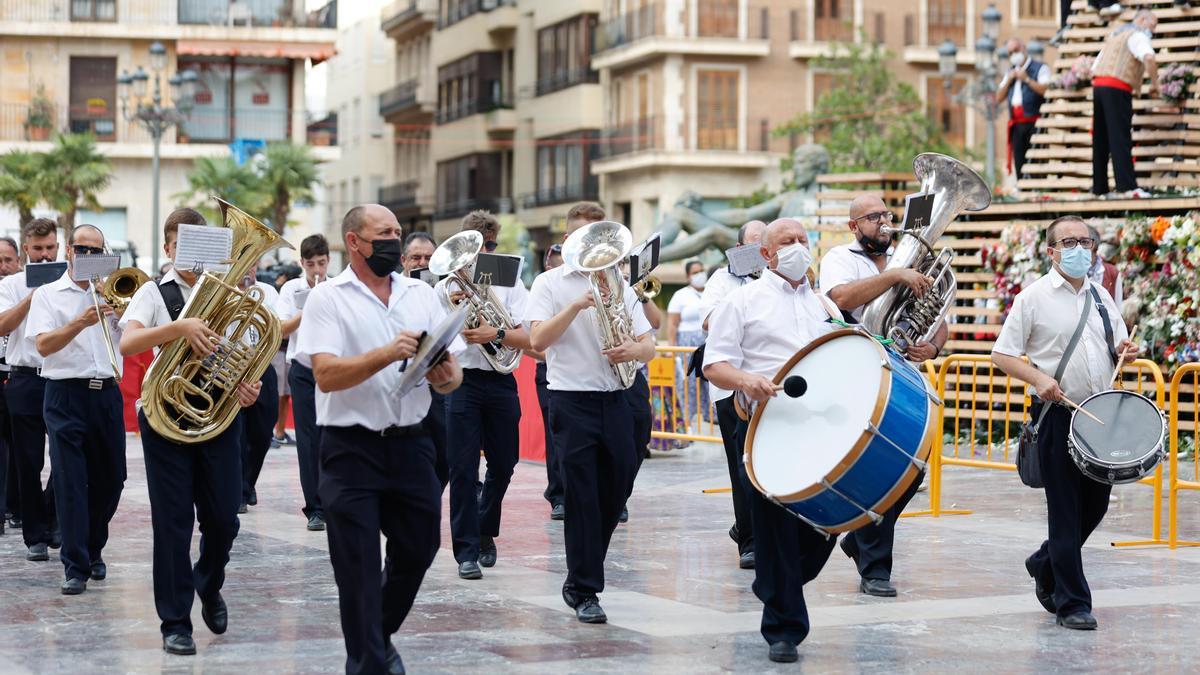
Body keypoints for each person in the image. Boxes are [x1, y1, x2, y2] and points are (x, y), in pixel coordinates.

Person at [295, 204, 464, 674]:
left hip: (413, 444)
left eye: (397, 231)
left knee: (419, 548)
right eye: (383, 233)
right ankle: (369, 661)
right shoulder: (327, 298)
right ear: (354, 242)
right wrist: (388, 353)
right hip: (351, 449)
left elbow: (451, 381)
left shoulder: (422, 295)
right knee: (358, 569)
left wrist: (445, 374)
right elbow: (325, 375)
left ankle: (375, 636)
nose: (394, 239)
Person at [119, 208, 263, 656]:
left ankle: (209, 581)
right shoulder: (153, 291)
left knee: (224, 518)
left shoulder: (229, 293)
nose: (193, 256)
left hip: (216, 414)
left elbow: (245, 349)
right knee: (174, 523)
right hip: (164, 416)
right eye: (183, 246)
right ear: (168, 249)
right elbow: (128, 342)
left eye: (204, 247)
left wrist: (247, 384)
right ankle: (175, 622)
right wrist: (180, 327)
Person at [703, 218, 842, 663]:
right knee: (776, 529)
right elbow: (714, 365)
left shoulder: (826, 306)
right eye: (788, 242)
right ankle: (782, 629)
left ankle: (773, 582)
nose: (800, 248)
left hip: (820, 427)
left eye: (804, 241)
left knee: (825, 529)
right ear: (766, 254)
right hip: (766, 428)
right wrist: (748, 380)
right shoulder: (741, 302)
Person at [992, 215, 1133, 631]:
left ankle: (1043, 561)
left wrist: (1127, 349)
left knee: (1097, 504)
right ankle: (1073, 602)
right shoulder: (1032, 298)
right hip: (1058, 416)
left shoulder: (1103, 297)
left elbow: (1116, 349)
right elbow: (1001, 354)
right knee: (1066, 510)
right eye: (1068, 242)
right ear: (1051, 252)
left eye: (1085, 242)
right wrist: (1038, 379)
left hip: (1100, 415)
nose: (1078, 249)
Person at [527, 210, 656, 624]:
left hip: (617, 397)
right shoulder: (548, 283)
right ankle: (584, 588)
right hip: (571, 399)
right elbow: (537, 339)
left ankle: (583, 571)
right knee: (582, 496)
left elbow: (648, 345)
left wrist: (632, 352)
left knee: (617, 489)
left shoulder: (620, 282)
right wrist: (577, 305)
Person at [817, 195, 945, 597]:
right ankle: (875, 568)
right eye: (873, 217)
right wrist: (895, 276)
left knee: (912, 467)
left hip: (904, 369)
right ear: (854, 226)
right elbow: (838, 300)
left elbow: (940, 313)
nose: (884, 223)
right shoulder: (840, 256)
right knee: (878, 461)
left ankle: (859, 541)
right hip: (859, 367)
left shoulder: (913, 260)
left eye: (887, 215)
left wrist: (933, 346)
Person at [26, 224, 126, 595]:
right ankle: (75, 564)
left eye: (95, 251)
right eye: (82, 249)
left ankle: (94, 547)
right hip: (65, 393)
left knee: (113, 478)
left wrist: (120, 311)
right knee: (70, 482)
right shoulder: (49, 295)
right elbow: (45, 346)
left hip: (106, 395)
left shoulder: (116, 293)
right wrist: (82, 320)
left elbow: (132, 341)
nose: (88, 256)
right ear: (69, 250)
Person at [440, 210, 531, 580]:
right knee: (461, 468)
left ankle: (483, 526)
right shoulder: (444, 285)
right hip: (462, 381)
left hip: (500, 380)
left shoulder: (510, 280)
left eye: (490, 245)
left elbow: (527, 338)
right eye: (477, 246)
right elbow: (435, 339)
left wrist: (494, 334)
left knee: (505, 462)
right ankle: (466, 551)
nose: (484, 253)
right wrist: (459, 321)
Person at [697, 218, 767, 570]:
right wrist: (749, 292)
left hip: (771, 387)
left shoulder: (781, 279)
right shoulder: (722, 281)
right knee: (741, 467)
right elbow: (708, 321)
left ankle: (753, 528)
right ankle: (750, 542)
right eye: (753, 242)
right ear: (739, 248)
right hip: (732, 387)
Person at [0, 218, 61, 562]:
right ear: (26, 249)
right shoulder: (11, 284)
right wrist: (34, 297)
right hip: (24, 377)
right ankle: (34, 535)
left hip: (60, 377)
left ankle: (52, 517)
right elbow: (1, 325)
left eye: (49, 248)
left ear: (58, 247)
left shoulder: (71, 283)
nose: (43, 254)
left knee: (66, 457)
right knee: (27, 460)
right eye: (37, 249)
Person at [276, 234, 331, 531]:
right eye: (311, 264)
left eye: (321, 263)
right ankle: (315, 507)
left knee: (333, 434)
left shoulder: (336, 287)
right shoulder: (291, 288)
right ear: (302, 263)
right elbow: (282, 329)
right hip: (302, 367)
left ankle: (335, 500)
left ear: (328, 261)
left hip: (333, 365)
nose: (316, 270)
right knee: (308, 439)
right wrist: (305, 310)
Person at [1091, 9, 1159, 198]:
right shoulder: (1137, 35)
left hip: (1099, 87)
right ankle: (1127, 187)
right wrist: (1155, 84)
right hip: (1117, 87)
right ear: (1142, 20)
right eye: (1153, 25)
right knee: (1120, 137)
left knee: (1101, 140)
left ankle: (1100, 189)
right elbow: (1149, 58)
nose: (1153, 31)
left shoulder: (1115, 35)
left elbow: (1094, 68)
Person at [401, 231, 449, 488]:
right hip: (404, 387)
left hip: (437, 386)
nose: (421, 263)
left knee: (444, 457)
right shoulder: (392, 292)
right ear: (403, 261)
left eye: (428, 258)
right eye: (415, 257)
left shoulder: (446, 289)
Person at [237, 266, 281, 513]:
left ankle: (249, 481)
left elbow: (277, 325)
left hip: (262, 365)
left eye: (253, 262)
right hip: (233, 367)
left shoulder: (267, 292)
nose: (249, 268)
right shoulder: (225, 290)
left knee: (263, 432)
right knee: (238, 434)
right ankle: (239, 489)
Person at [527, 244, 565, 520]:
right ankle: (558, 495)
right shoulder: (544, 289)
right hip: (549, 370)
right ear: (549, 267)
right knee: (556, 437)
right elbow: (532, 342)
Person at [995, 38, 1050, 181]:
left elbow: (1046, 91)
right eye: (1010, 53)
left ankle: (1039, 195)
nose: (1014, 54)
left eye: (1016, 51)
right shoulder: (1010, 72)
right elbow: (998, 97)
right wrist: (1009, 80)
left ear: (1024, 49)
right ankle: (1023, 194)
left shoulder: (1040, 68)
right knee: (1020, 163)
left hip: (1035, 124)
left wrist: (1026, 79)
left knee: (1037, 163)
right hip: (1017, 126)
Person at [667, 259, 710, 426]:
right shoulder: (681, 295)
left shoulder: (711, 292)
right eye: (695, 272)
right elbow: (672, 324)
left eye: (701, 270)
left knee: (710, 378)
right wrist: (672, 350)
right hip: (687, 345)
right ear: (687, 277)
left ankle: (710, 416)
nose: (699, 275)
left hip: (706, 342)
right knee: (689, 383)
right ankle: (686, 420)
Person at [0, 236, 20, 537]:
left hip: (19, 375)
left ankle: (20, 507)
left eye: (8, 260)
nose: (2, 267)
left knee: (20, 450)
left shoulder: (24, 290)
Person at [1086, 224, 1123, 306]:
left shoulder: (1112, 272)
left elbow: (1117, 309)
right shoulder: (1070, 271)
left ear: (1092, 244)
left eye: (1083, 242)